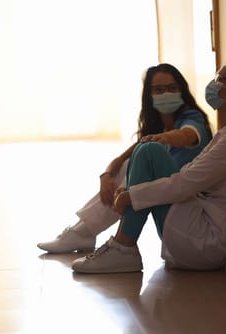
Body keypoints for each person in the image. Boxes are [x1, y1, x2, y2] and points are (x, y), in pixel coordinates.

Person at [71, 60, 226, 273]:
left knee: (149, 151)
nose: (213, 84)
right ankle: (112, 243)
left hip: (209, 244)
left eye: (220, 80)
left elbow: (184, 181)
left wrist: (132, 195)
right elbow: (187, 175)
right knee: (145, 151)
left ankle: (122, 246)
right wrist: (129, 188)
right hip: (202, 229)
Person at [37, 63, 213, 254]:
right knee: (128, 164)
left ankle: (89, 235)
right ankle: (82, 232)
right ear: (149, 95)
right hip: (166, 198)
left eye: (172, 88)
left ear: (182, 91)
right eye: (159, 90)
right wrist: (106, 176)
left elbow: (188, 135)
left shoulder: (192, 118)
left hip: (187, 208)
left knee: (138, 164)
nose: (166, 94)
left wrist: (166, 138)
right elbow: (121, 160)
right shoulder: (157, 128)